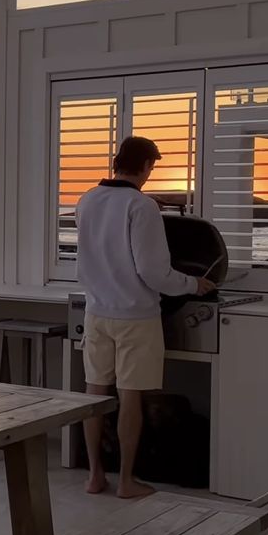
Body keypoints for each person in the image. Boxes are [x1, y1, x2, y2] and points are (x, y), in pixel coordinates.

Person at [76, 135, 215, 499]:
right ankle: (125, 482)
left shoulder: (86, 200)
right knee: (131, 397)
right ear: (146, 166)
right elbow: (154, 272)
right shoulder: (142, 206)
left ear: (116, 161)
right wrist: (193, 284)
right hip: (135, 316)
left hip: (96, 311)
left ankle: (94, 477)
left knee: (94, 394)